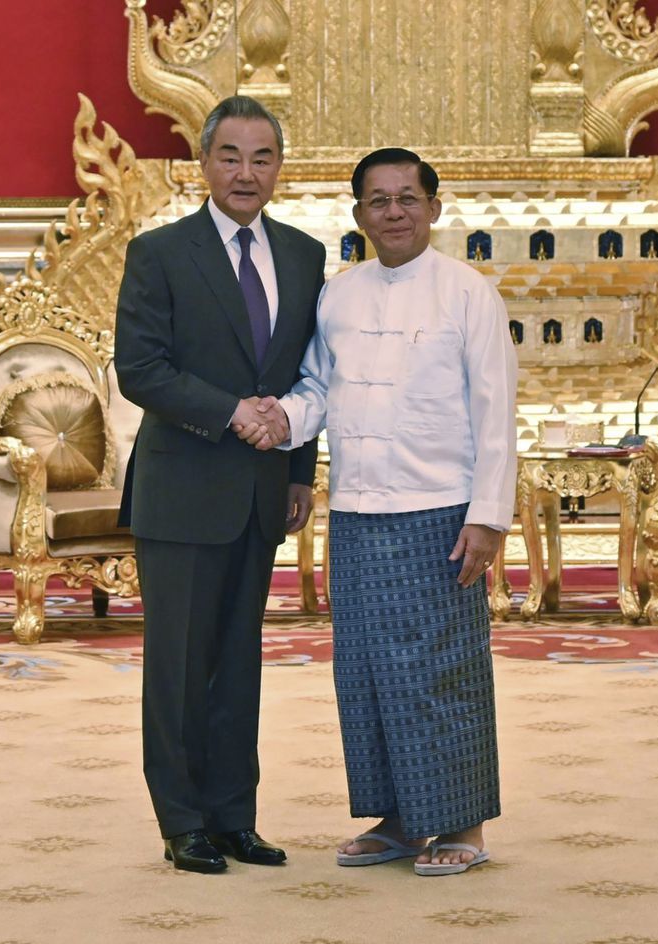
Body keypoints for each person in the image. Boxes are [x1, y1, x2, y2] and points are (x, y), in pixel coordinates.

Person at [236, 147, 517, 876]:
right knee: (365, 674)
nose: (394, 212)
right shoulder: (339, 296)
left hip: (440, 512)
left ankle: (462, 825)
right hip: (358, 511)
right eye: (378, 201)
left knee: (442, 671)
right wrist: (279, 421)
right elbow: (318, 390)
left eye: (407, 198)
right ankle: (396, 819)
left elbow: (495, 415)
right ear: (357, 214)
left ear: (434, 206)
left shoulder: (468, 293)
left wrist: (487, 517)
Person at [114, 96, 326, 874]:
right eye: (230, 156)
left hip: (264, 491)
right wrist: (232, 413)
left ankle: (235, 814)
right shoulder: (161, 251)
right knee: (178, 664)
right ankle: (182, 821)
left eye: (262, 157)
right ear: (204, 163)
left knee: (239, 662)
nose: (246, 171)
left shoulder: (304, 256)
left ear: (279, 167)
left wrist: (300, 470)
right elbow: (141, 369)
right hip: (182, 489)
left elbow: (306, 373)